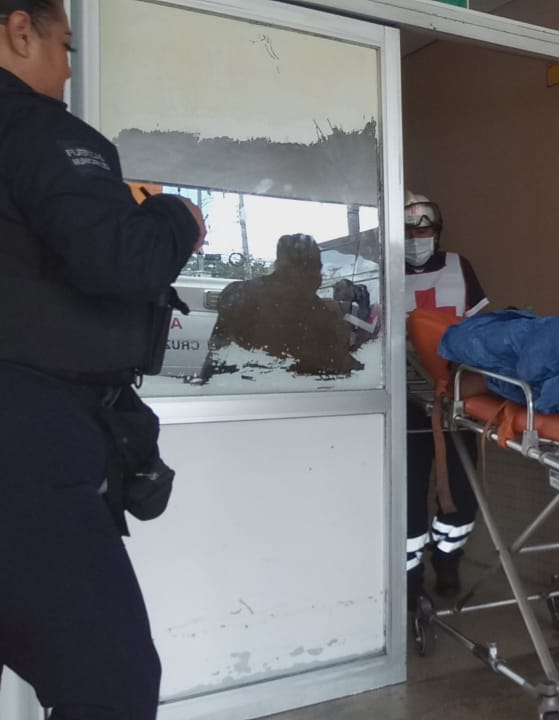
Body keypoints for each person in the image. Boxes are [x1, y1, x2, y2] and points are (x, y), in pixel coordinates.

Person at [0, 2, 206, 718]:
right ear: (19, 31)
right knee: (109, 682)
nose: (65, 69)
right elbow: (120, 261)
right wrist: (176, 217)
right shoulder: (35, 129)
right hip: (25, 437)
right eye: (65, 46)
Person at [403, 191, 488, 599]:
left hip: (454, 399)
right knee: (408, 493)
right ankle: (409, 577)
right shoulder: (381, 274)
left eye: (424, 230)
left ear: (437, 231)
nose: (416, 238)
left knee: (462, 492)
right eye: (408, 232)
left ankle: (448, 559)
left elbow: (480, 331)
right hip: (404, 400)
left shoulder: (459, 267)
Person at [201, 233, 366, 379]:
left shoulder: (236, 293)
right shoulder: (315, 314)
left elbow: (215, 355)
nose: (319, 277)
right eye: (315, 268)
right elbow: (336, 365)